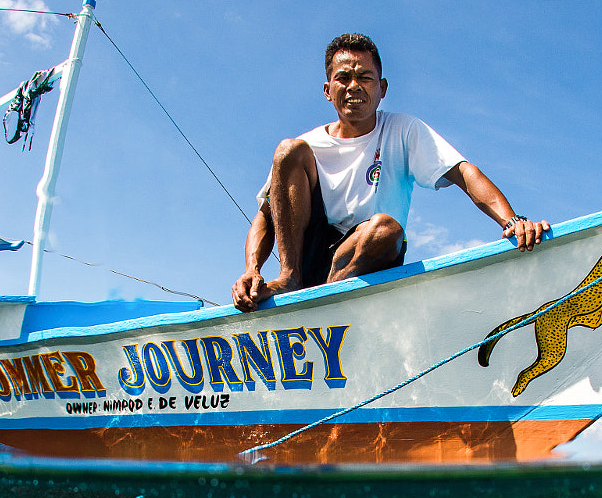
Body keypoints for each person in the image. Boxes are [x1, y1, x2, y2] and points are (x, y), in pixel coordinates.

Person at [231, 33, 551, 312]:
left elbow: (464, 173)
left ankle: (323, 301)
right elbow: (266, 215)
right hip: (308, 257)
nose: (354, 86)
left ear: (382, 88)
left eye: (365, 78)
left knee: (386, 228)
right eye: (343, 78)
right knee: (288, 149)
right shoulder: (308, 145)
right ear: (328, 90)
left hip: (366, 258)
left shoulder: (402, 129)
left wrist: (513, 222)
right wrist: (251, 269)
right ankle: (290, 280)